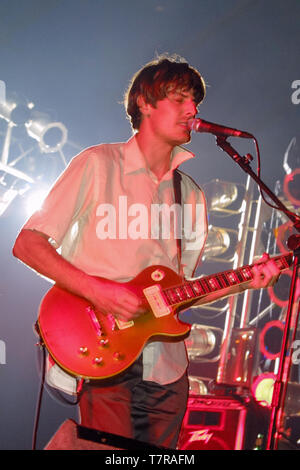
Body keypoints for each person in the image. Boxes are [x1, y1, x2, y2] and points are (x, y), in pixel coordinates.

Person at [12, 55, 280, 450]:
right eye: (180, 98)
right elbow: (27, 244)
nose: (193, 110)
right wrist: (98, 291)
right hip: (101, 350)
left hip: (166, 370)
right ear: (145, 104)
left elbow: (181, 291)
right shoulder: (97, 165)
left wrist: (245, 282)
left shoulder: (190, 195)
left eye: (196, 103)